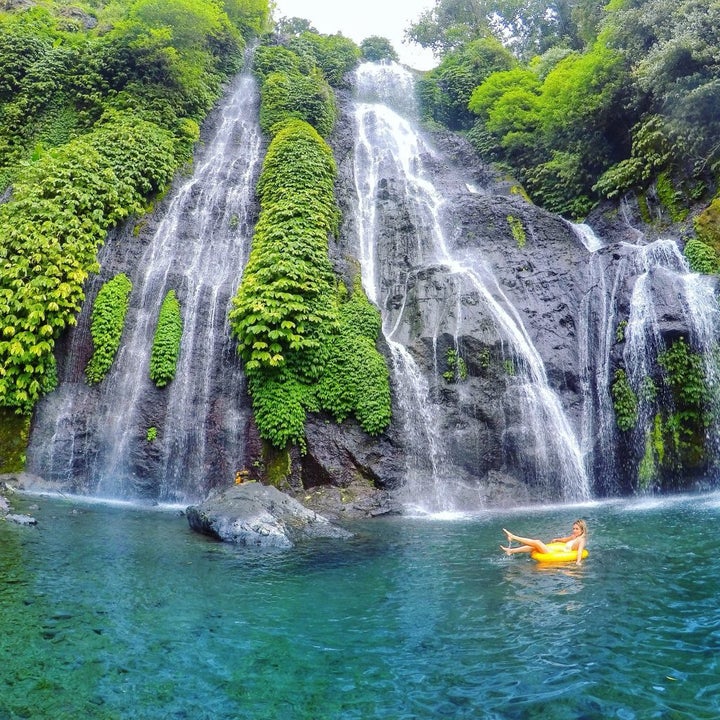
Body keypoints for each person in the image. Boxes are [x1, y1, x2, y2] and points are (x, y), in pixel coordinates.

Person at [500, 519, 588, 565]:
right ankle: (510, 551)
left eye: (577, 529)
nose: (574, 530)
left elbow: (580, 551)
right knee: (533, 547)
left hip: (553, 554)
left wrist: (578, 562)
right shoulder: (573, 536)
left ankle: (513, 537)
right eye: (573, 528)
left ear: (582, 530)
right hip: (557, 551)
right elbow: (565, 540)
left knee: (537, 542)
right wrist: (557, 540)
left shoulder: (581, 540)